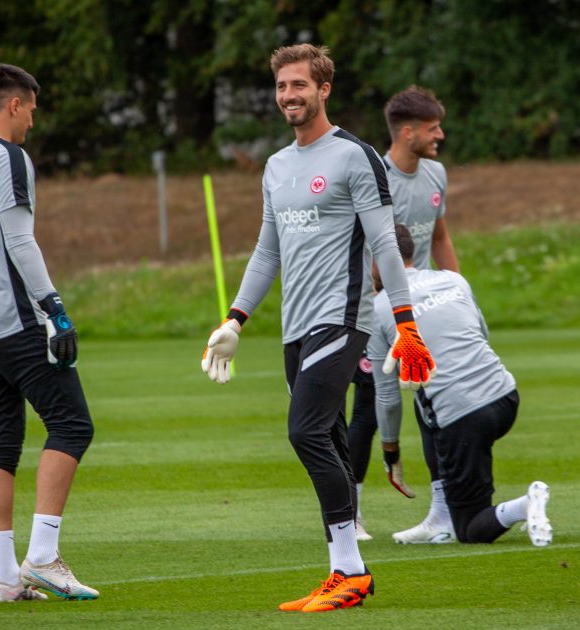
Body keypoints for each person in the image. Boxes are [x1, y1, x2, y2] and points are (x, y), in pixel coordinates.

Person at [200, 44, 436, 613]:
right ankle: (344, 571)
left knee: (304, 432)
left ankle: (351, 572)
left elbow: (384, 242)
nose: (289, 96)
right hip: (294, 328)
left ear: (324, 88)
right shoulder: (277, 166)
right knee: (326, 438)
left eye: (299, 85)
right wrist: (235, 318)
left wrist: (404, 324)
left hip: (343, 317)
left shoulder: (356, 156)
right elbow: (266, 252)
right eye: (281, 87)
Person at [0, 63, 96, 603]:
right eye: (31, 107)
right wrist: (56, 309)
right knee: (73, 425)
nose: (33, 118)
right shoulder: (8, 157)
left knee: (0, 447)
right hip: (14, 319)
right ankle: (44, 558)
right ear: (13, 104)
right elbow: (19, 240)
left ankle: (8, 580)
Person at [368, 225, 551, 546]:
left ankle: (525, 504)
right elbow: (481, 333)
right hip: (505, 396)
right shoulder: (453, 278)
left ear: (377, 261)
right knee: (424, 398)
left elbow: (386, 396)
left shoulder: (380, 308)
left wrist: (390, 448)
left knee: (470, 530)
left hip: (464, 419)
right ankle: (439, 516)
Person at [348, 85, 462, 544]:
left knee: (433, 407)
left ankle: (439, 513)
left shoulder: (435, 174)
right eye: (433, 128)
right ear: (408, 131)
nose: (440, 136)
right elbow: (359, 248)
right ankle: (349, 514)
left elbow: (439, 239)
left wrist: (458, 291)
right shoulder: (374, 176)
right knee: (368, 411)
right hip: (375, 313)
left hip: (426, 309)